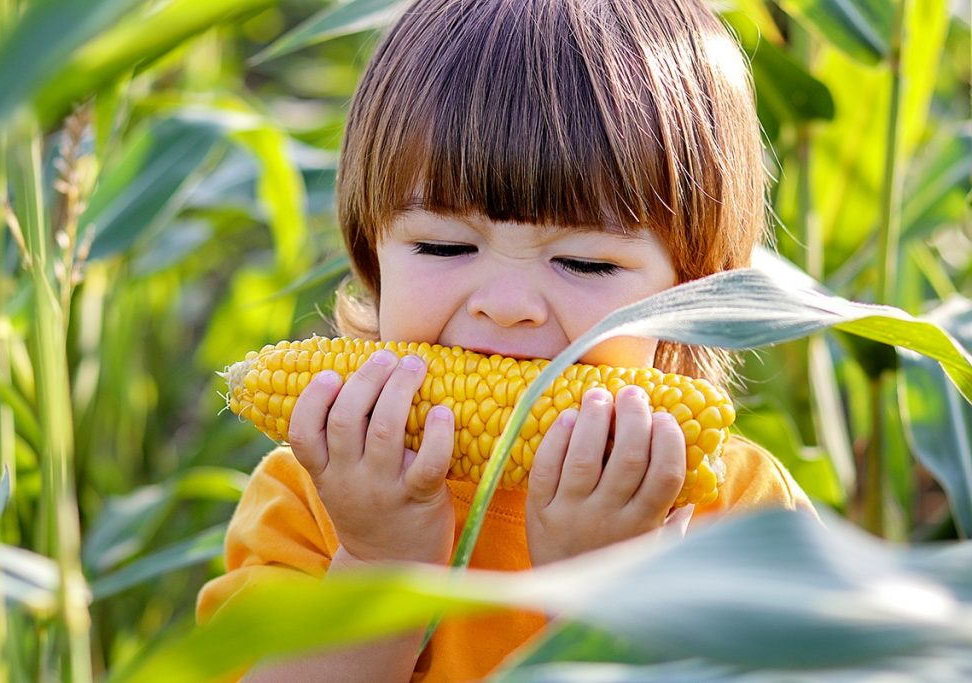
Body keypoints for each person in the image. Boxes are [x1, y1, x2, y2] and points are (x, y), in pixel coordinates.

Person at [197, 0, 816, 679]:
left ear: (698, 293)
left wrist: (602, 596)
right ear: (371, 255)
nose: (507, 307)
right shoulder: (314, 497)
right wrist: (379, 564)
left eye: (586, 262)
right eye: (443, 245)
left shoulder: (737, 509)